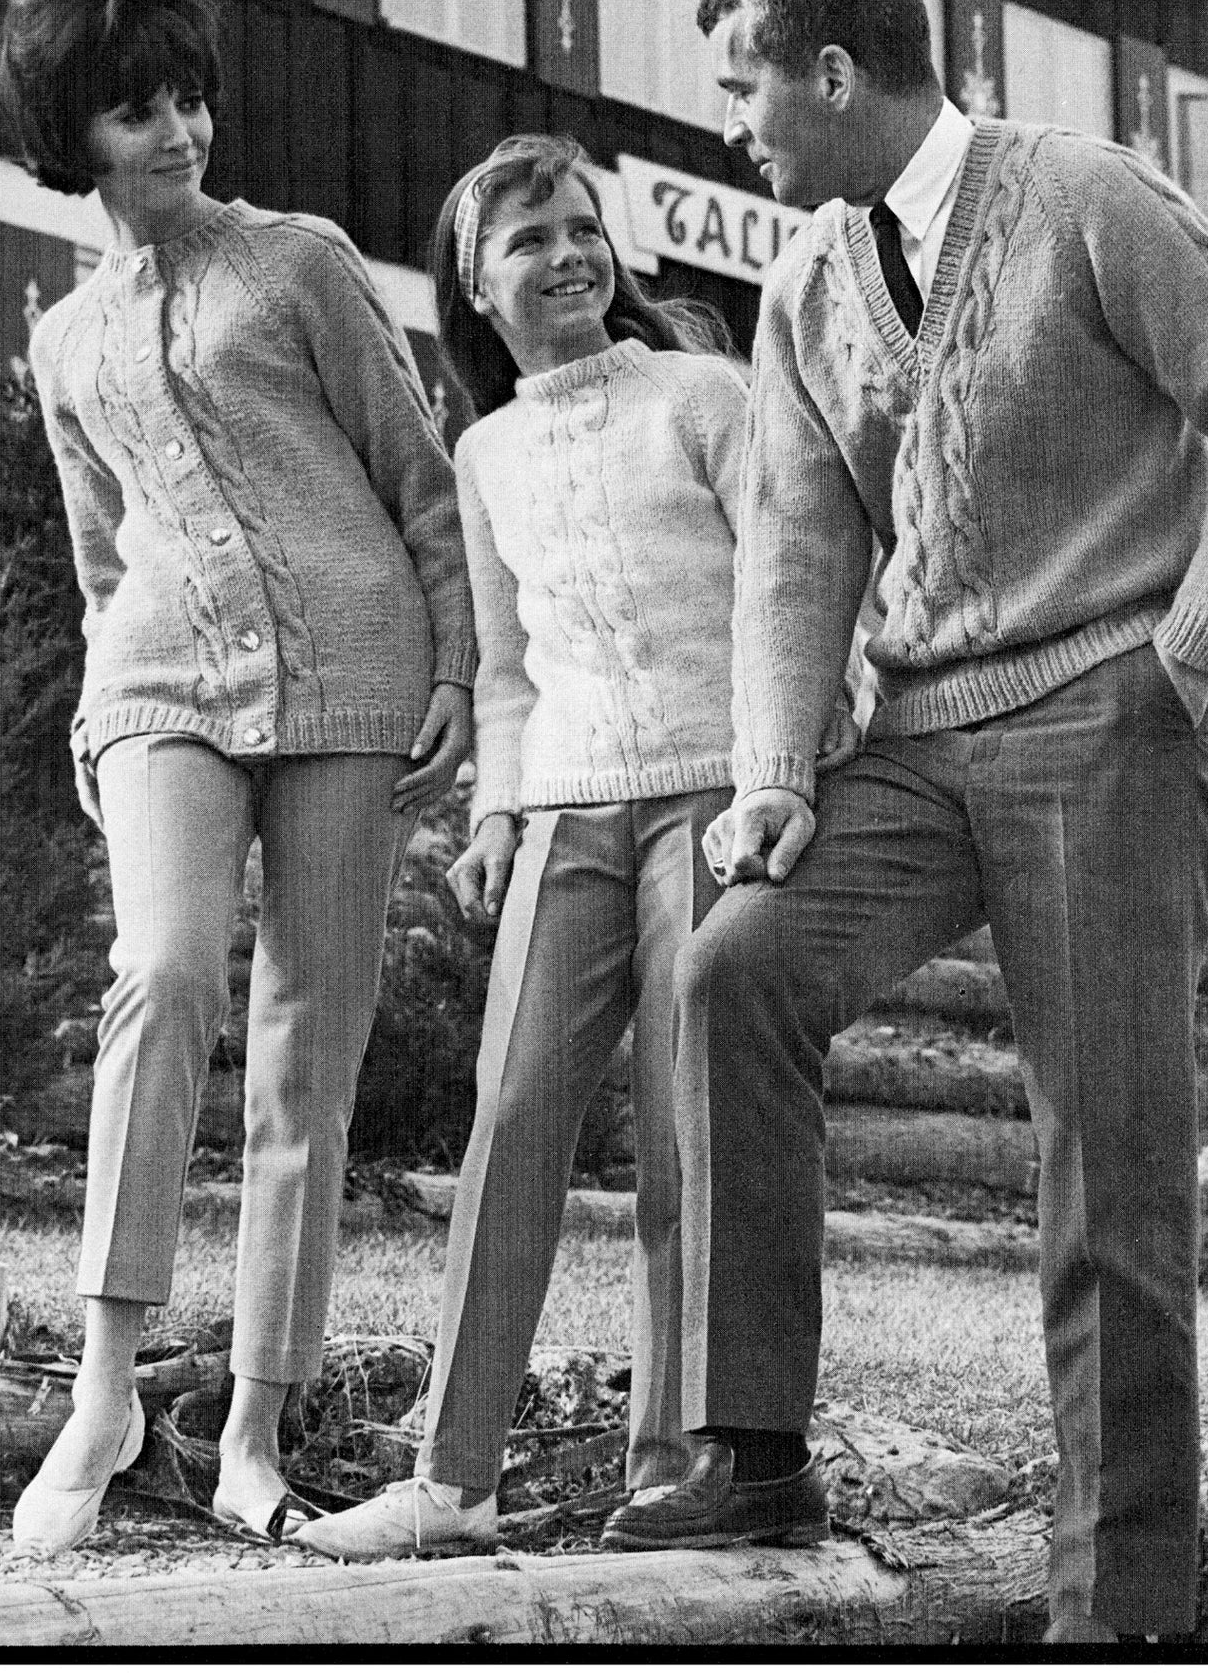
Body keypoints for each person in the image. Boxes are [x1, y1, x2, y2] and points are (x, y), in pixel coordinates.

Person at [598, 0, 1208, 1645]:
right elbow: (796, 545)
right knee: (731, 966)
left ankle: (1120, 1596)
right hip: (917, 739)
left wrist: (1187, 648)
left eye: (745, 89)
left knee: (1110, 1151)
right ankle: (755, 1442)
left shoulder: (1086, 195)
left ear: (834, 74)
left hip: (1107, 715)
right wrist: (777, 769)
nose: (736, 127)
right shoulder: (802, 283)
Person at [298, 134, 858, 1562]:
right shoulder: (477, 451)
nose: (566, 255)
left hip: (711, 800)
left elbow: (790, 581)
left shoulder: (705, 395)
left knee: (690, 1139)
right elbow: (503, 668)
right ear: (474, 287)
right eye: (529, 239)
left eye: (579, 228)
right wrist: (493, 812)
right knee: (510, 1124)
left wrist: (782, 765)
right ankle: (453, 1473)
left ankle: (678, 1464)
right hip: (565, 817)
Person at [0, 0, 476, 1552]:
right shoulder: (63, 344)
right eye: (136, 110)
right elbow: (98, 558)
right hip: (156, 689)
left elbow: (418, 476)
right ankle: (104, 1383)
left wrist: (460, 662)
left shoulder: (300, 262)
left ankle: (255, 1429)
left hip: (348, 672)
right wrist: (92, 706)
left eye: (189, 96)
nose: (180, 131)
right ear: (75, 130)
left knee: (303, 1052)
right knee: (168, 969)